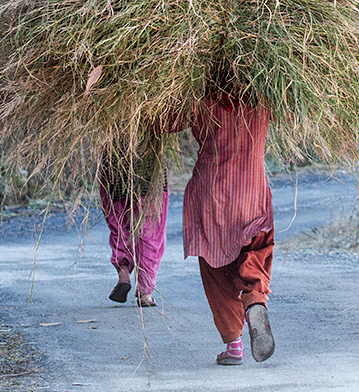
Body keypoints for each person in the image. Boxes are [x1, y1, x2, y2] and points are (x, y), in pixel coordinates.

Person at [167, 92, 275, 365]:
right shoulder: (263, 96)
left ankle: (234, 344)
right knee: (256, 250)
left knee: (216, 267)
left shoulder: (198, 97)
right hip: (252, 188)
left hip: (211, 193)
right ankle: (255, 299)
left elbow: (164, 123)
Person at [99, 143, 168, 308]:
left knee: (118, 221)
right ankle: (145, 293)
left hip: (115, 158)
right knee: (150, 227)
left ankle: (123, 274)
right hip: (149, 158)